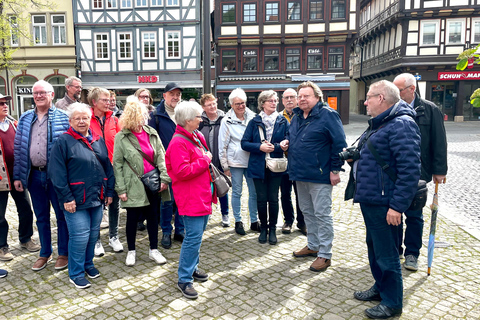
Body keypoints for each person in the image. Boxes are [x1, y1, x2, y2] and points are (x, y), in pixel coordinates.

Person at [351, 80, 420, 319]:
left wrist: (397, 206)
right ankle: (380, 287)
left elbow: (410, 170)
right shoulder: (381, 123)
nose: (365, 101)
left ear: (381, 98)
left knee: (388, 253)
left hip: (385, 202)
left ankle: (392, 303)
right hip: (372, 197)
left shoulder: (401, 124)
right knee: (375, 247)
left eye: (368, 97)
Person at [49, 103, 115, 289]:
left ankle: (88, 264)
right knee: (79, 236)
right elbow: (57, 173)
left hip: (96, 195)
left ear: (90, 119)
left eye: (85, 117)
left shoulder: (97, 139)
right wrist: (66, 197)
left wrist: (109, 191)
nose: (81, 121)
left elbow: (107, 167)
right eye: (77, 118)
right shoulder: (63, 141)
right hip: (75, 199)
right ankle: (76, 273)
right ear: (70, 121)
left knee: (93, 234)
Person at [285, 81, 347, 272]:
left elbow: (339, 144)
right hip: (299, 173)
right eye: (300, 96)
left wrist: (335, 170)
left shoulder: (327, 115)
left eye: (306, 96)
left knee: (322, 214)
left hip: (320, 175)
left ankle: (325, 254)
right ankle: (313, 245)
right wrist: (288, 143)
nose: (302, 99)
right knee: (307, 211)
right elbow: (297, 138)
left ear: (317, 97)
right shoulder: (296, 116)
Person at [393, 73, 448, 271]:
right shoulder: (393, 108)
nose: (396, 94)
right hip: (395, 172)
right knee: (394, 212)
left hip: (419, 172)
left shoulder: (430, 110)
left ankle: (412, 253)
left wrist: (439, 170)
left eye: (399, 90)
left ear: (411, 89)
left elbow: (439, 142)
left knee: (414, 215)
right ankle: (395, 249)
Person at [13, 80, 70, 271]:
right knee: (41, 217)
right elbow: (19, 149)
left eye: (42, 93)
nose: (38, 96)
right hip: (33, 177)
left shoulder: (63, 117)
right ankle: (45, 252)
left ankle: (63, 253)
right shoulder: (25, 118)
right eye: (35, 93)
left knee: (61, 216)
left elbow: (69, 151)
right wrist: (18, 176)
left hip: (56, 177)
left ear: (52, 95)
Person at [165, 101, 214, 300]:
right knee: (193, 237)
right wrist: (205, 159)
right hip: (190, 196)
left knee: (198, 235)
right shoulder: (178, 142)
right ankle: (184, 279)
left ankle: (192, 268)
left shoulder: (196, 136)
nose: (201, 119)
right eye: (198, 117)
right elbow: (182, 171)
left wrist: (204, 159)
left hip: (202, 194)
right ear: (187, 120)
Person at [113, 100, 171, 267]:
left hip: (152, 182)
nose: (143, 118)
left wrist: (165, 178)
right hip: (133, 184)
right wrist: (121, 189)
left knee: (153, 217)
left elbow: (161, 156)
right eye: (140, 115)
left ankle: (154, 249)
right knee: (132, 218)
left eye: (144, 115)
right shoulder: (121, 137)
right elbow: (117, 164)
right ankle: (131, 250)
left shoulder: (151, 132)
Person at [241, 90, 288, 244]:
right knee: (261, 199)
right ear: (262, 104)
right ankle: (263, 228)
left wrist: (277, 146)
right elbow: (244, 143)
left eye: (275, 101)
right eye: (270, 101)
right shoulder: (254, 122)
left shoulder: (282, 121)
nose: (274, 103)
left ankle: (273, 229)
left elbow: (289, 140)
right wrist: (259, 147)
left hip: (276, 165)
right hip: (257, 165)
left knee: (273, 199)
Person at [0, 94, 40, 262]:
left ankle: (25, 238)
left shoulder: (14, 125)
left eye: (5, 103)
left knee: (25, 209)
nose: (5, 106)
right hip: (1, 178)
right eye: (1, 103)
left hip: (17, 176)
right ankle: (2, 246)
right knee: (0, 216)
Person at [148, 82, 185, 249]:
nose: (175, 97)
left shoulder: (184, 113)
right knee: (167, 201)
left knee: (182, 200)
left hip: (183, 163)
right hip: (165, 164)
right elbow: (151, 142)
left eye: (178, 94)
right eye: (172, 94)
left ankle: (180, 230)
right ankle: (166, 232)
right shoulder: (155, 115)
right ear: (164, 96)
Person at [87, 87, 123, 256]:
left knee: (115, 204)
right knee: (97, 206)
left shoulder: (114, 120)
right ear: (94, 102)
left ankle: (114, 236)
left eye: (109, 100)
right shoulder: (86, 119)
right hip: (93, 170)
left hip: (113, 168)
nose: (108, 102)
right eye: (104, 100)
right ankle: (96, 240)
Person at [218, 88, 259, 235]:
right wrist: (225, 166)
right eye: (237, 104)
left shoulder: (254, 117)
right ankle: (238, 221)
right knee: (237, 192)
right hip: (235, 162)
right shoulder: (226, 120)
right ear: (231, 105)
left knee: (254, 192)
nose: (241, 106)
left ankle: (254, 221)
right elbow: (222, 144)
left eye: (242, 103)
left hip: (252, 160)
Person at [198, 94, 229, 226]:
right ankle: (208, 212)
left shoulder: (225, 118)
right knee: (207, 189)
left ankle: (225, 214)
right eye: (209, 104)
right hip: (205, 161)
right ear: (203, 107)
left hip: (220, 160)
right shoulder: (199, 121)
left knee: (223, 188)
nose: (212, 106)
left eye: (214, 103)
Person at [279, 88, 305, 235]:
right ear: (282, 101)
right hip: (283, 162)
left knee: (300, 193)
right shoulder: (278, 117)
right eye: (286, 98)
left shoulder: (302, 115)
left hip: (299, 162)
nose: (289, 100)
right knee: (285, 194)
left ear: (296, 99)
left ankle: (302, 222)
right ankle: (288, 221)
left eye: (292, 97)